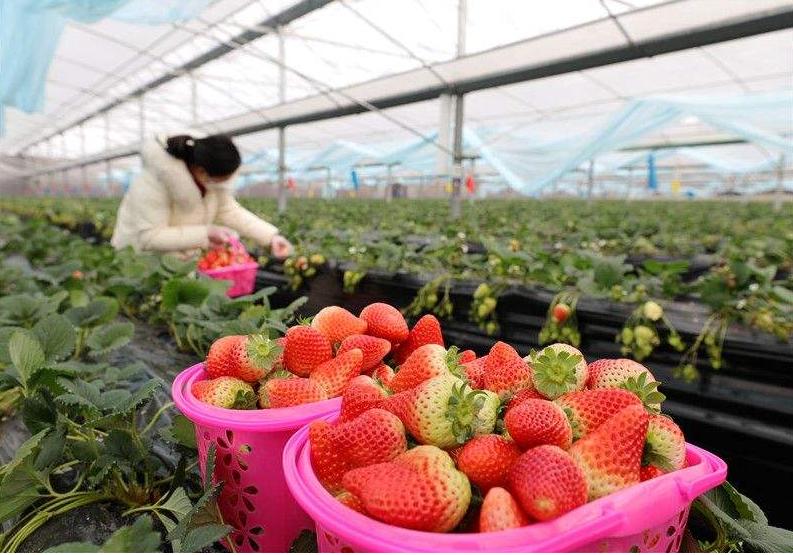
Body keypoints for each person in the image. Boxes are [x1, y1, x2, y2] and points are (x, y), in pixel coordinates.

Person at [111, 134, 293, 258]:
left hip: (176, 259)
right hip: (138, 259)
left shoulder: (210, 183)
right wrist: (206, 233)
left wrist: (270, 237)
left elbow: (230, 211)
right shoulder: (153, 183)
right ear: (201, 171)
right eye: (222, 179)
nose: (225, 184)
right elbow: (149, 237)